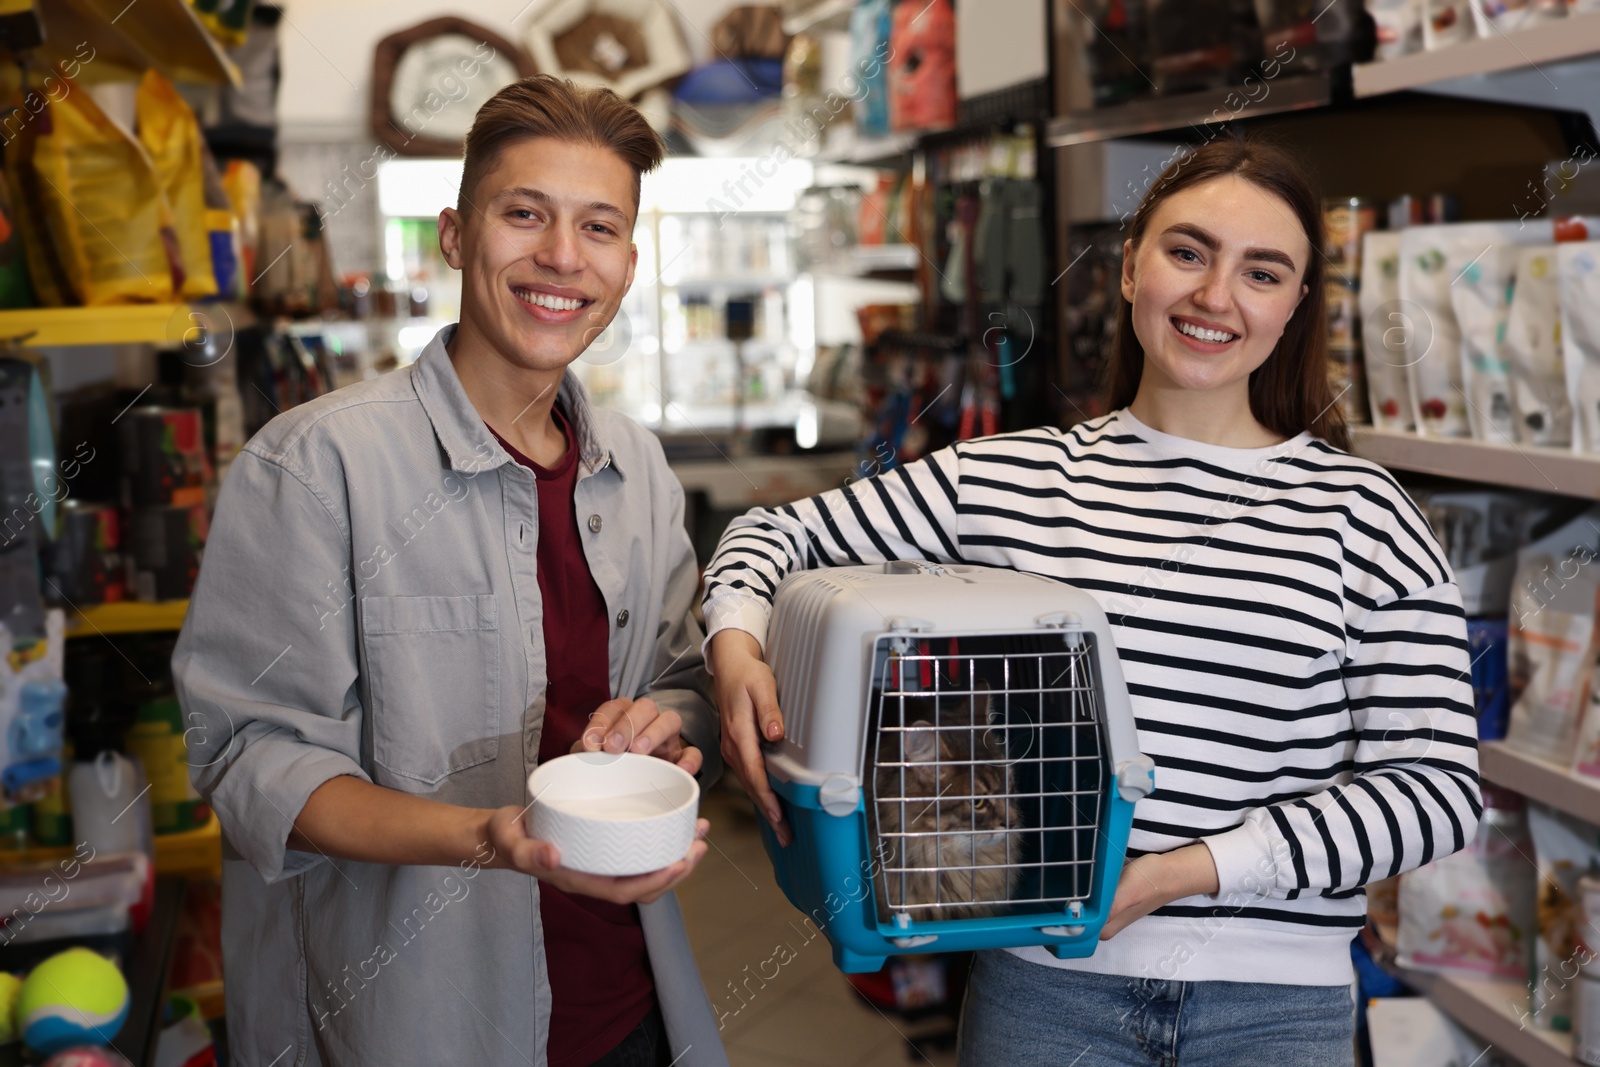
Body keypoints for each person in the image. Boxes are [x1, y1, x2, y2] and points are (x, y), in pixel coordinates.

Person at [702, 135, 1481, 1067]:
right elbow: (770, 534)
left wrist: (1175, 876)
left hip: (1277, 1009)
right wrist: (737, 642)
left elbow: (1436, 793)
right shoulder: (1009, 478)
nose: (1214, 296)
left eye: (1261, 272)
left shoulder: (1365, 514)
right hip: (1045, 995)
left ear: (1295, 308)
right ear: (1129, 267)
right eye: (1187, 252)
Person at [172, 76, 729, 1067]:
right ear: (456, 235)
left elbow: (683, 678)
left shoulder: (635, 466)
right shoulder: (314, 466)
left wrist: (671, 720)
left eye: (598, 227)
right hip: (414, 1021)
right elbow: (252, 761)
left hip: (625, 1003)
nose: (562, 255)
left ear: (629, 262)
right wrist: (488, 834)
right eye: (525, 214)